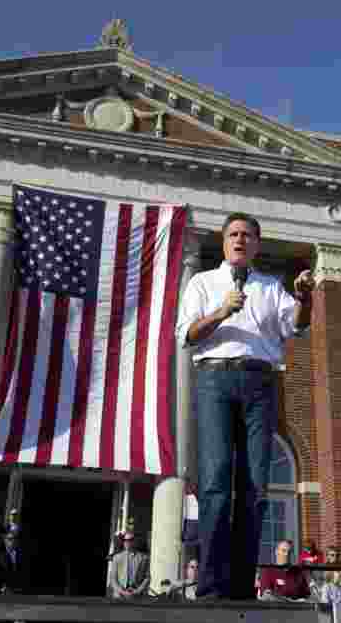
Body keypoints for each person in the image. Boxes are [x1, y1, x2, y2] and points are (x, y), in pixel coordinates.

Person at [176, 212, 314, 599]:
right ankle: (211, 586)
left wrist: (305, 296)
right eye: (233, 234)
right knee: (216, 481)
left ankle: (240, 586)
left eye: (247, 235)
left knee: (254, 484)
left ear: (256, 244)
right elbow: (187, 334)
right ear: (224, 242)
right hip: (214, 379)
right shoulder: (203, 283)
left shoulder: (271, 287)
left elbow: (298, 325)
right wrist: (221, 311)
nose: (240, 240)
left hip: (260, 381)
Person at [110, 532, 148, 600]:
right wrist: (122, 592)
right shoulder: (117, 557)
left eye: (129, 540)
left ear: (134, 542)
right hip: (120, 594)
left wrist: (138, 591)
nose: (127, 543)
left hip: (136, 594)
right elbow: (113, 579)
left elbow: (147, 578)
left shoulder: (143, 558)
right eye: (125, 540)